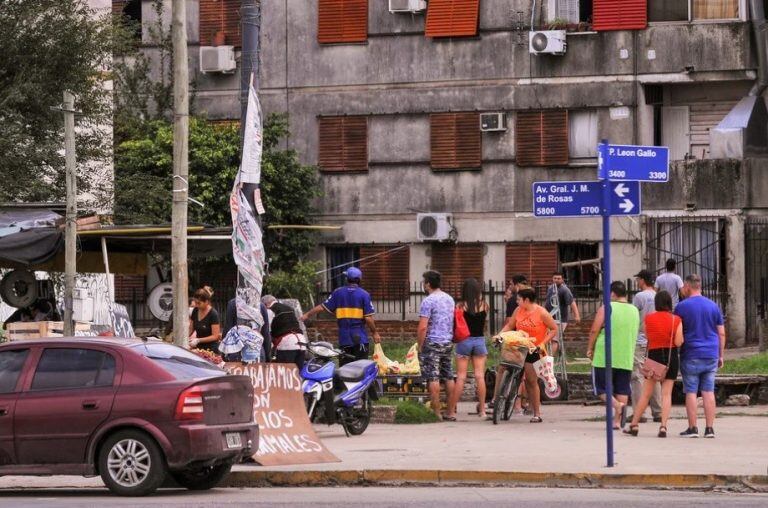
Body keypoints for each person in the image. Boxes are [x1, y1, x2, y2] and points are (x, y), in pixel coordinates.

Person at [625, 290, 684, 438]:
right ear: (669, 303)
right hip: (671, 358)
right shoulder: (676, 320)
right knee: (666, 394)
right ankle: (663, 426)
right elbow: (678, 342)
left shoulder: (649, 318)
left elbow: (646, 334)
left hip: (653, 356)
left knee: (646, 394)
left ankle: (634, 424)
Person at [674, 274, 725, 438]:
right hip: (711, 353)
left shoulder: (681, 307)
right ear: (700, 286)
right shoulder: (713, 306)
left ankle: (693, 428)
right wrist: (720, 355)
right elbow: (721, 333)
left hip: (691, 353)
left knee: (691, 391)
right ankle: (710, 429)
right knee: (708, 391)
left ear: (688, 286)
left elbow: (677, 332)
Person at [498, 286, 558, 423]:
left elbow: (554, 329)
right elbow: (510, 325)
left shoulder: (542, 312)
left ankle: (536, 413)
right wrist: (500, 335)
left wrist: (542, 343)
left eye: (519, 299)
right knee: (504, 368)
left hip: (534, 349)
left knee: (531, 381)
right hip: (518, 346)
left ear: (526, 300)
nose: (517, 302)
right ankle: (500, 399)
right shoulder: (518, 310)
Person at [301, 267, 381, 366]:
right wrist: (375, 333)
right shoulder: (364, 295)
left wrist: (306, 315)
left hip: (344, 337)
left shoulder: (337, 293)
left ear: (347, 279)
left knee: (345, 369)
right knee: (361, 367)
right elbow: (368, 318)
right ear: (359, 280)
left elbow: (322, 307)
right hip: (360, 338)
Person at [587, 281, 640, 430]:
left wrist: (590, 348)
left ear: (612, 294)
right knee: (622, 389)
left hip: (605, 355)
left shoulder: (607, 307)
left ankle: (617, 406)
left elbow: (594, 330)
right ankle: (617, 421)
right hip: (626, 355)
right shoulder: (634, 310)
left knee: (600, 388)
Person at [446, 278, 489, 420]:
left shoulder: (459, 307)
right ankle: (482, 410)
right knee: (479, 376)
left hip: (464, 341)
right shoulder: (484, 305)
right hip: (479, 341)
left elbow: (456, 324)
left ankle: (451, 412)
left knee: (461, 377)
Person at [417, 270, 456, 420]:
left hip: (433, 342)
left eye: (424, 282)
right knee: (448, 376)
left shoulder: (428, 301)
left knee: (433, 377)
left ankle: (437, 413)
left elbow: (422, 327)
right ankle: (451, 412)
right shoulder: (449, 299)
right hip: (447, 341)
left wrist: (420, 345)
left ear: (428, 284)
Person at [629, 269, 661, 424]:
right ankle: (658, 411)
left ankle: (639, 412)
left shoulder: (640, 297)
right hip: (655, 340)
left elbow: (633, 316)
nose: (637, 282)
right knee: (654, 375)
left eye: (638, 279)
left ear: (642, 280)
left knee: (638, 376)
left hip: (640, 339)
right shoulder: (658, 296)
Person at [262, 295, 307, 369]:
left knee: (284, 373)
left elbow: (267, 332)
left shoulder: (270, 311)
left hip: (287, 344)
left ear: (265, 305)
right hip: (302, 342)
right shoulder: (289, 308)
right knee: (297, 374)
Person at [544, 272, 581, 357]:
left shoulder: (564, 290)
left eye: (558, 278)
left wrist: (577, 315)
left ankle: (549, 360)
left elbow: (572, 302)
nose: (556, 280)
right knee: (547, 339)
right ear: (552, 279)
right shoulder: (550, 288)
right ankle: (549, 356)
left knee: (554, 340)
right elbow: (547, 302)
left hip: (560, 319)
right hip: (549, 318)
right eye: (555, 278)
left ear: (562, 279)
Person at [223, 298, 271, 362]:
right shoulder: (261, 306)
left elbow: (228, 329)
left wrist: (224, 352)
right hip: (257, 350)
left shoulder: (233, 304)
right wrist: (267, 356)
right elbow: (265, 333)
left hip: (237, 350)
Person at [188, 286, 221, 352]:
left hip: (211, 349)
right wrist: (185, 338)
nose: (197, 305)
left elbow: (215, 336)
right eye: (196, 303)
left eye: (199, 303)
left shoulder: (213, 314)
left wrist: (198, 340)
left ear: (206, 302)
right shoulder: (195, 310)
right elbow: (190, 329)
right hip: (198, 348)